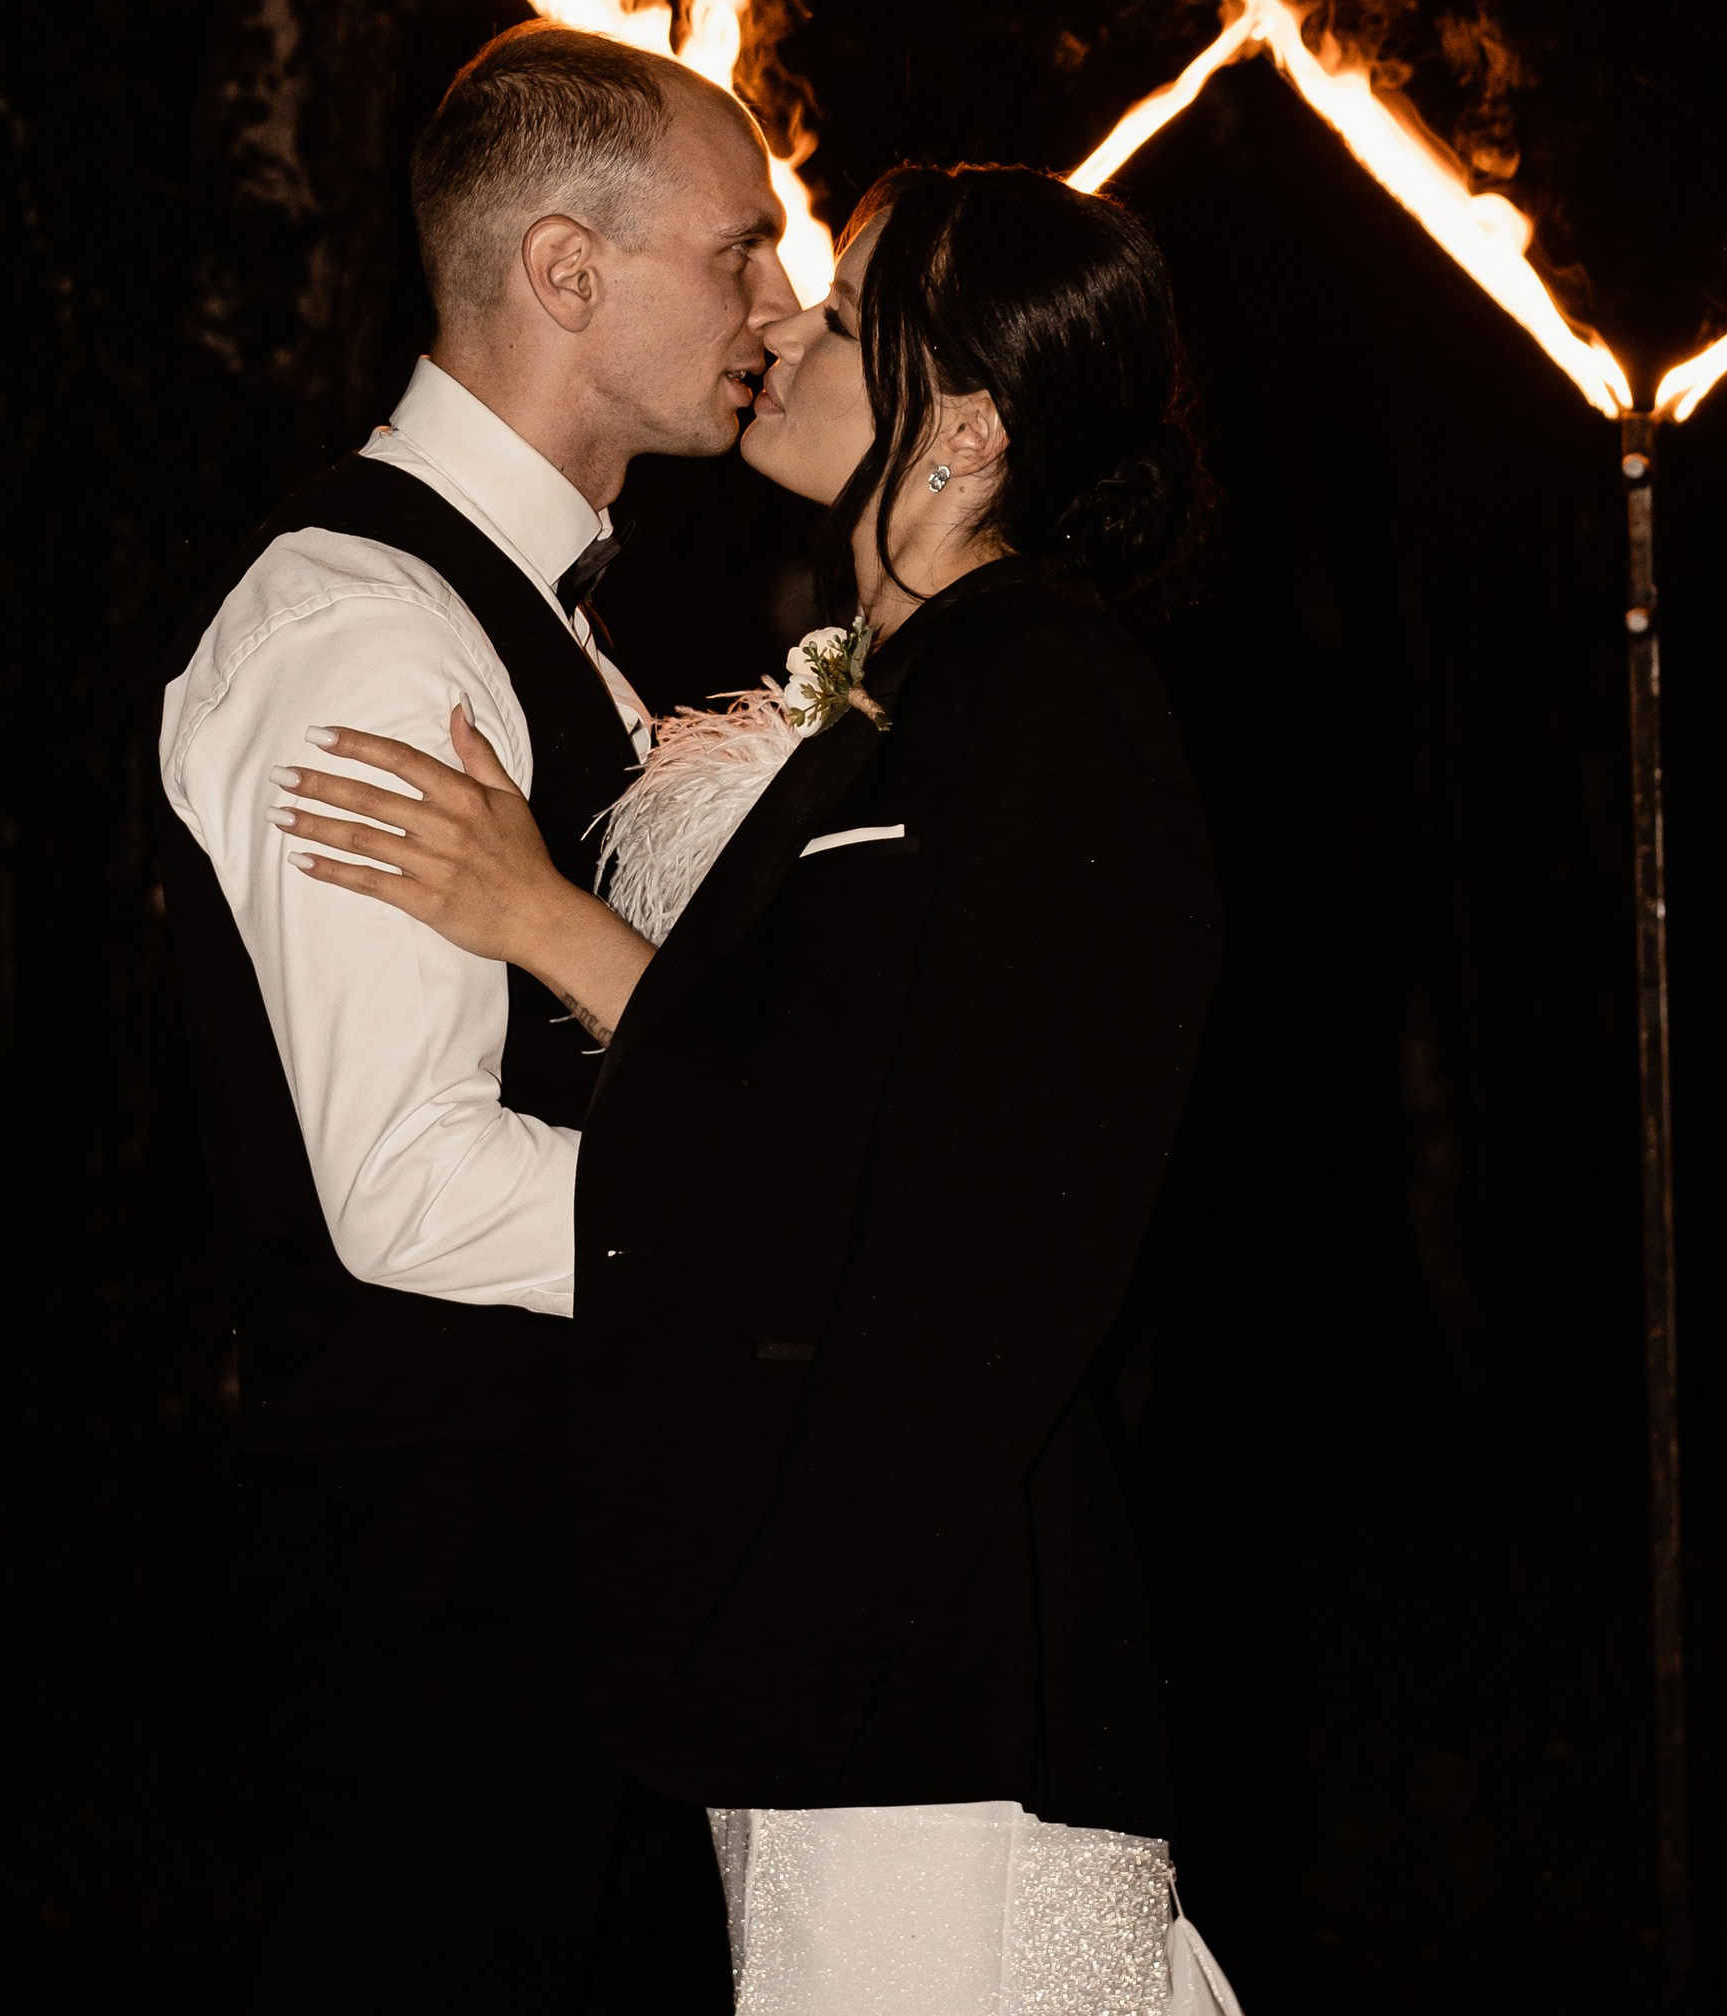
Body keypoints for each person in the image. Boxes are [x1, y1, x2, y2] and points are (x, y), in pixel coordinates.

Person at [289, 161, 1244, 2013]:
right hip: (831, 1672)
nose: (778, 331)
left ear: (960, 421)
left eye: (838, 308)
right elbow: (823, 1097)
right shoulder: (902, 703)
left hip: (949, 1684)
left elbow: (945, 1193)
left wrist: (555, 932)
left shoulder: (1049, 695)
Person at [157, 20, 795, 2012]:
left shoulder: (555, 633)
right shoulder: (366, 626)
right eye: (741, 254)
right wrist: (785, 1225)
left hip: (562, 1593)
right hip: (433, 1606)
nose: (777, 308)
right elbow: (408, 1188)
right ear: (564, 271)